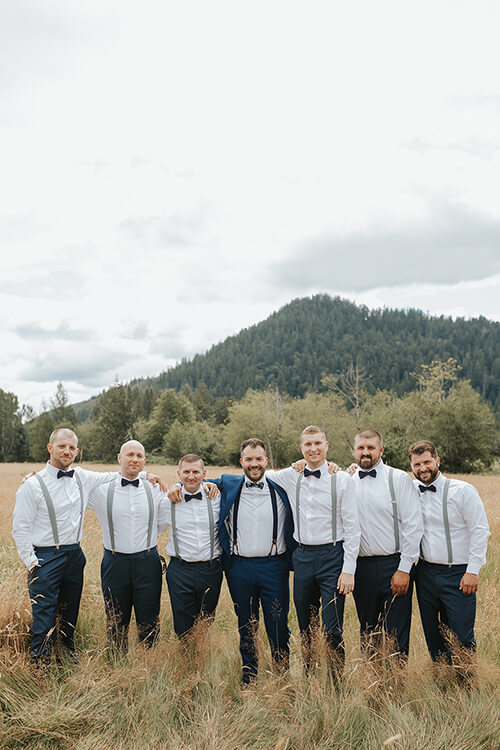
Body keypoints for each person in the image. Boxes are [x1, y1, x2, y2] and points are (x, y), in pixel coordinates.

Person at [12, 428, 164, 667]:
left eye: (72, 448)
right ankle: (39, 667)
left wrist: (145, 475)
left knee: (69, 611)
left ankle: (66, 658)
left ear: (77, 452)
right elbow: (20, 528)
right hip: (45, 556)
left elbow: (117, 475)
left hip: (74, 555)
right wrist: (32, 563)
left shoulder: (82, 477)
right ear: (50, 448)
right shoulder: (33, 484)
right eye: (62, 446)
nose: (67, 451)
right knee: (44, 616)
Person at [170, 440, 295, 685]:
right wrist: (175, 485)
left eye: (258, 459)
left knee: (278, 622)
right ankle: (249, 673)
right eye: (249, 459)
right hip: (239, 567)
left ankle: (282, 674)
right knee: (246, 622)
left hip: (274, 566)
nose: (254, 464)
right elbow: (192, 481)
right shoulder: (229, 483)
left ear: (266, 461)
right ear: (242, 462)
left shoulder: (281, 483)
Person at [266, 426, 360, 675]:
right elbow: (256, 475)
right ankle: (310, 676)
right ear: (301, 449)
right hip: (303, 557)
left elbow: (353, 528)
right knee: (305, 625)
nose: (313, 448)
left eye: (317, 443)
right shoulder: (290, 475)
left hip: (333, 557)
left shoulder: (341, 479)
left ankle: (337, 682)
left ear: (326, 445)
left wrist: (348, 570)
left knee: (332, 628)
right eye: (307, 444)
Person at [408, 440, 490, 677]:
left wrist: (473, 570)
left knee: (462, 635)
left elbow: (479, 530)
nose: (422, 468)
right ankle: (444, 680)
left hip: (459, 573)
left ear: (437, 461)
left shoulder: (463, 490)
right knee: (434, 633)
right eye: (417, 464)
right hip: (425, 573)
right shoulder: (411, 489)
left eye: (426, 462)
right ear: (411, 466)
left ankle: (467, 683)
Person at [87, 440, 169, 652]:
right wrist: (34, 477)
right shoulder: (102, 490)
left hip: (148, 561)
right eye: (130, 454)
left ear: (144, 460)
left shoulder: (155, 488)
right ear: (119, 458)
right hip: (115, 562)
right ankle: (117, 663)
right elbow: (70, 487)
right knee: (115, 618)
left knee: (150, 617)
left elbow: (164, 520)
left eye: (139, 456)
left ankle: (149, 662)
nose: (134, 459)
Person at [350, 429, 423, 660]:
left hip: (395, 564)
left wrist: (404, 568)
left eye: (371, 448)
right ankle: (373, 687)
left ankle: (397, 689)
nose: (366, 452)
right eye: (361, 448)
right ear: (354, 451)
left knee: (397, 633)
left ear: (380, 450)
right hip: (361, 568)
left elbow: (413, 525)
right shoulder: (345, 481)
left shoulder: (398, 479)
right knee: (368, 632)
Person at [164, 454, 223, 640]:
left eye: (196, 472)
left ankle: (202, 657)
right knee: (183, 625)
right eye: (186, 472)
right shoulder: (167, 501)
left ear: (204, 473)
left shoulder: (217, 497)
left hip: (211, 569)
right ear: (178, 474)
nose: (191, 476)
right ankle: (186, 660)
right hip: (180, 569)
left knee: (206, 619)